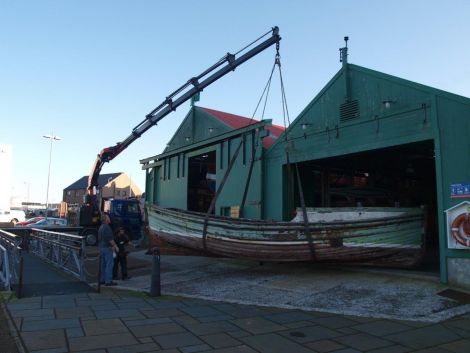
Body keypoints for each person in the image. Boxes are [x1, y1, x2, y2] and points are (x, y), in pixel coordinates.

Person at [98, 213, 119, 286]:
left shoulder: (101, 227)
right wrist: (116, 246)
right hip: (107, 248)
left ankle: (103, 279)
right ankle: (108, 281)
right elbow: (110, 239)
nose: (109, 218)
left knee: (103, 265)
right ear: (106, 219)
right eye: (108, 217)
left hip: (101, 247)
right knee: (109, 265)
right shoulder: (107, 227)